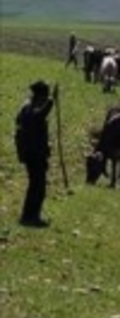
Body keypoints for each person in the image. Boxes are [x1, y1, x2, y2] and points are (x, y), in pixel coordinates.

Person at [14, 80, 57, 227]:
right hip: (34, 154)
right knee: (38, 186)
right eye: (45, 96)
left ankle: (31, 214)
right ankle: (31, 217)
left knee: (36, 185)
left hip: (31, 153)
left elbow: (22, 120)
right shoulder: (31, 109)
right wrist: (51, 101)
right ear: (41, 96)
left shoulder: (26, 107)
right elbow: (39, 116)